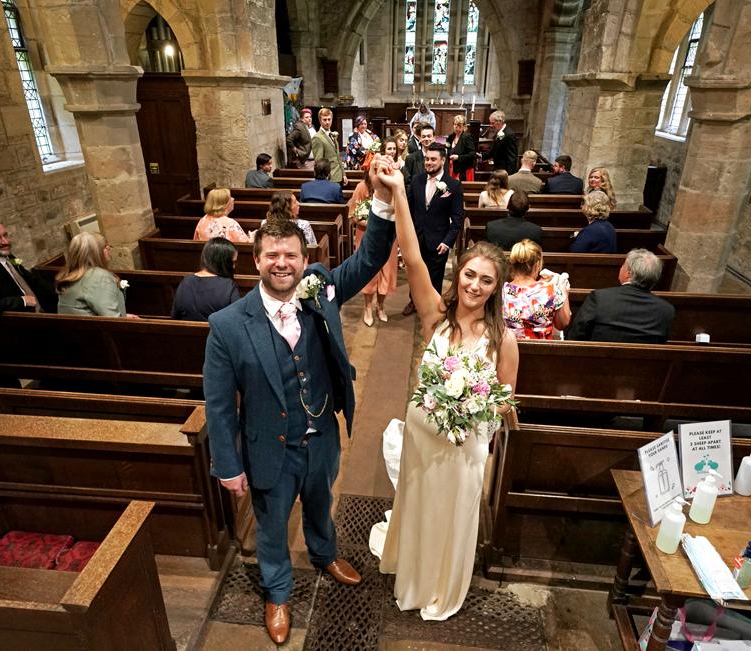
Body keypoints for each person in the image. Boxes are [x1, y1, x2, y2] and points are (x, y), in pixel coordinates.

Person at [202, 158, 398, 644]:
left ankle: (325, 552)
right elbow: (220, 404)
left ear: (303, 256)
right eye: (272, 256)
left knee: (321, 500)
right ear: (257, 260)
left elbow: (371, 257)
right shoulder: (228, 325)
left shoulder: (321, 289)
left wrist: (382, 200)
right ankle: (278, 592)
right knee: (270, 527)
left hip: (323, 437)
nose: (282, 264)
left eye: (290, 255)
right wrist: (228, 464)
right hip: (269, 446)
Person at [372, 157, 518, 621]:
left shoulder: (504, 341)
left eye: (486, 280)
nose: (474, 285)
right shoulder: (436, 314)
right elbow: (413, 257)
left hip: (465, 447)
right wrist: (397, 193)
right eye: (469, 275)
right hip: (423, 438)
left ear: (497, 289)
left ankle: (441, 584)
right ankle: (415, 574)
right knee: (420, 506)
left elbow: (504, 402)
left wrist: (476, 420)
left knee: (452, 514)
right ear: (458, 276)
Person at [402, 142, 464, 315]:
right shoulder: (417, 180)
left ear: (442, 160)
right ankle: (413, 301)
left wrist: (447, 242)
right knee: (414, 274)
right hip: (417, 238)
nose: (428, 162)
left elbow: (458, 219)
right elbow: (410, 210)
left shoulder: (453, 186)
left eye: (433, 160)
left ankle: (431, 308)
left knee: (434, 277)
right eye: (427, 159)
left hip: (438, 240)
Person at [567, 248, 674, 343]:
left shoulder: (600, 298)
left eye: (623, 265)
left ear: (628, 273)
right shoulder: (666, 310)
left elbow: (575, 336)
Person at [348, 139, 400, 327]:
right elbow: (353, 215)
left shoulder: (392, 186)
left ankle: (381, 306)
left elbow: (399, 211)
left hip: (388, 236)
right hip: (366, 236)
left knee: (387, 271)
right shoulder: (362, 188)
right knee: (368, 273)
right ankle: (368, 307)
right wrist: (370, 224)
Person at [0, 218, 57, 316]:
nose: (5, 242)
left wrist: (59, 289)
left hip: (44, 311)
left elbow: (32, 281)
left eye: (5, 235)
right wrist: (22, 301)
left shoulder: (8, 257)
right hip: (21, 323)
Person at [55, 232, 135, 318]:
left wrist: (124, 316)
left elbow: (85, 310)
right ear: (95, 253)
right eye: (104, 246)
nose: (108, 248)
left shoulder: (71, 274)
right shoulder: (100, 277)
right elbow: (113, 321)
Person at [502, 239, 571, 340]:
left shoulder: (500, 290)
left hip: (506, 350)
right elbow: (562, 323)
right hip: (542, 353)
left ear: (512, 264)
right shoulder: (551, 290)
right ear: (537, 265)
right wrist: (564, 293)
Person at [171, 237, 241, 321]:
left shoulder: (186, 282)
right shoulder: (228, 286)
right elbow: (238, 320)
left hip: (187, 333)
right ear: (222, 262)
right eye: (233, 262)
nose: (234, 267)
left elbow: (175, 316)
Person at [311, 107, 345, 184]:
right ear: (320, 120)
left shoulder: (332, 134)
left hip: (338, 176)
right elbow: (319, 162)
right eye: (325, 119)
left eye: (329, 119)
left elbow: (337, 156)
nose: (327, 122)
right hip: (329, 178)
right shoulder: (318, 138)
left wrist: (343, 174)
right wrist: (323, 181)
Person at [480, 110, 518, 175]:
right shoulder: (500, 132)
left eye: (492, 123)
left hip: (505, 172)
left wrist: (508, 176)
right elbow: (495, 150)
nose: (491, 125)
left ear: (499, 121)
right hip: (499, 169)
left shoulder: (509, 134)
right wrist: (481, 156)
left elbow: (512, 158)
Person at [403, 122, 436, 190]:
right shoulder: (411, 158)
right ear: (420, 139)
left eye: (429, 136)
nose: (426, 139)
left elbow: (445, 179)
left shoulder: (441, 157)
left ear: (434, 138)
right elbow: (407, 183)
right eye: (423, 136)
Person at [445, 114, 476, 181]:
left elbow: (472, 154)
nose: (456, 127)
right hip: (452, 168)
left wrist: (458, 157)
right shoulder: (451, 137)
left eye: (459, 125)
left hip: (464, 169)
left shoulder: (467, 137)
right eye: (455, 124)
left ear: (464, 126)